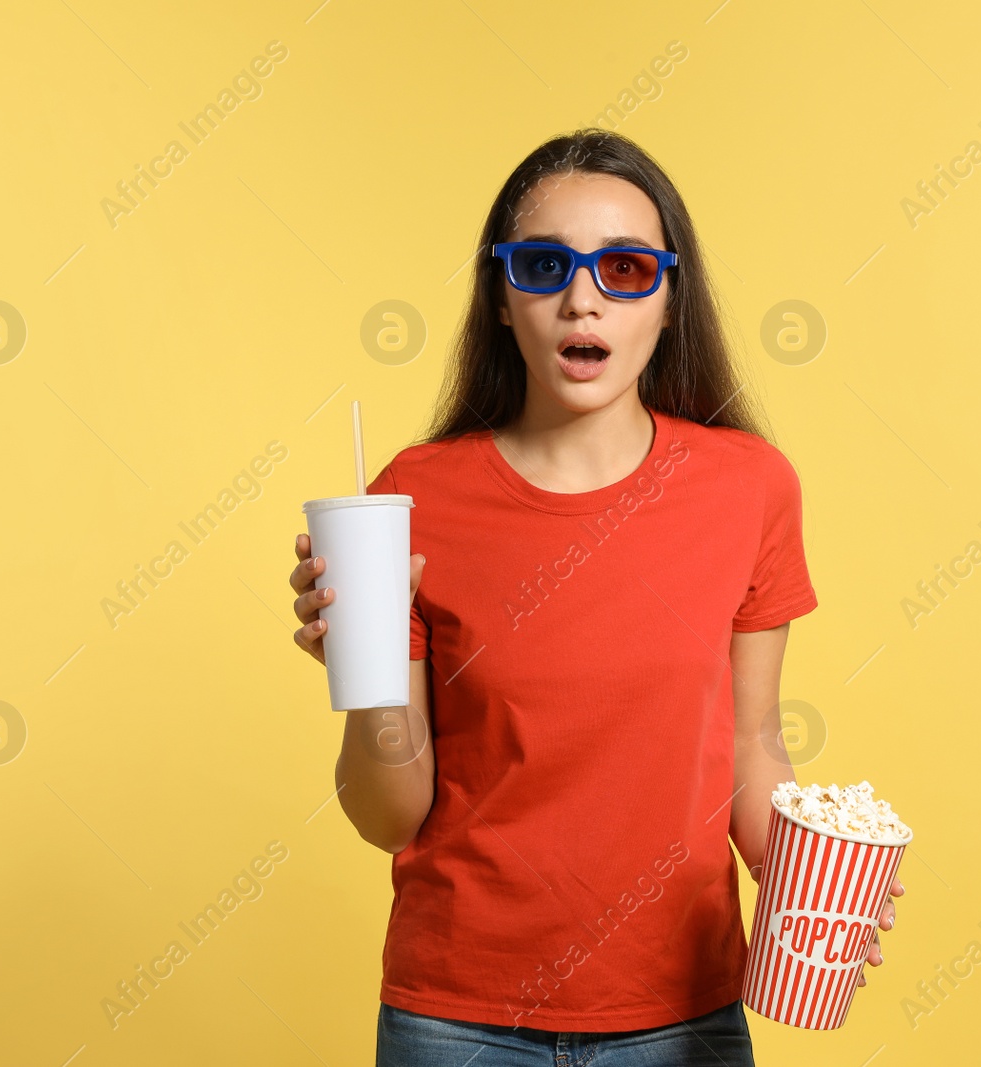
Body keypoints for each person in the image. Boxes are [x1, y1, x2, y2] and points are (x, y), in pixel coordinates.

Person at [287, 128, 903, 1066]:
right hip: (457, 1018)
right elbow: (390, 817)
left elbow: (752, 743)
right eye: (544, 265)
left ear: (668, 298)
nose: (584, 298)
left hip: (681, 1014)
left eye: (624, 267)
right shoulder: (412, 499)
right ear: (501, 297)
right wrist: (364, 670)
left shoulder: (749, 487)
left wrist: (817, 890)